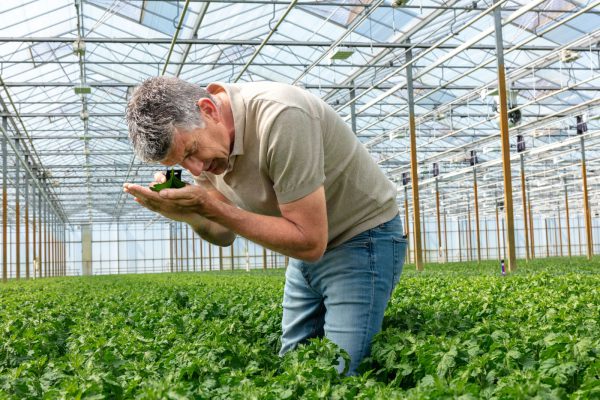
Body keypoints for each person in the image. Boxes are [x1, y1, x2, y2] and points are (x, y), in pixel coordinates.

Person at [123, 76, 407, 375]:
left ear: (208, 109)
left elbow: (310, 241)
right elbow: (223, 233)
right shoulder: (209, 149)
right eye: (181, 163)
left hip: (361, 238)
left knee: (342, 370)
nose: (195, 168)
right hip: (302, 245)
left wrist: (208, 206)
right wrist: (188, 214)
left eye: (192, 151)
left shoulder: (281, 117)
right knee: (294, 363)